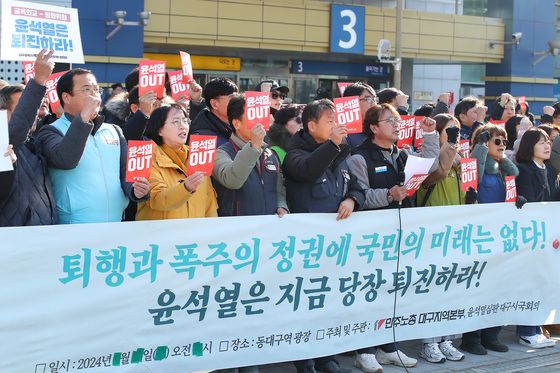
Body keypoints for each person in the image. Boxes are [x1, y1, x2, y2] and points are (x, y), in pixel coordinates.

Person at [346, 103, 439, 372]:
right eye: (390, 121)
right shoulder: (359, 157)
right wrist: (389, 194)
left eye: (398, 121)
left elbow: (428, 166)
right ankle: (364, 350)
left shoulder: (401, 154)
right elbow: (359, 194)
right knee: (370, 291)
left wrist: (431, 136)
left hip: (400, 233)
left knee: (393, 290)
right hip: (372, 237)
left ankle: (387, 346)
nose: (397, 125)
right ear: (374, 127)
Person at [282, 99, 365, 373]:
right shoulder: (295, 154)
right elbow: (307, 170)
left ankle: (326, 356)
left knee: (329, 303)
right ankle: (304, 361)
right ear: (311, 125)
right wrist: (333, 145)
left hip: (336, 248)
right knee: (305, 304)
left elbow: (356, 187)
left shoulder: (340, 153)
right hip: (306, 248)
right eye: (330, 121)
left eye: (336, 119)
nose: (336, 125)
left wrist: (352, 199)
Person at [37, 68, 149, 224]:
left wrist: (135, 189)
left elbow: (126, 174)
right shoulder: (51, 131)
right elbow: (66, 160)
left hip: (115, 223)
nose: (94, 94)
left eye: (97, 89)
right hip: (73, 226)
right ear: (66, 97)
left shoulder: (114, 130)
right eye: (86, 89)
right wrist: (83, 118)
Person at [459, 123, 518, 355]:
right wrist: (481, 148)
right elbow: (474, 177)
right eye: (497, 141)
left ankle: (490, 334)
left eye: (504, 141)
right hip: (478, 234)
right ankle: (471, 338)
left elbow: (515, 174)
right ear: (484, 143)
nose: (502, 145)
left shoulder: (502, 167)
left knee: (498, 286)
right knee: (477, 288)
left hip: (500, 234)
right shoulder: (477, 162)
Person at [0, 49, 58, 227]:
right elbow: (16, 130)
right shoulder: (7, 142)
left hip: (41, 238)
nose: (31, 114)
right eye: (22, 108)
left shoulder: (35, 143)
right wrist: (39, 80)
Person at [212, 93, 288, 218]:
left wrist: (281, 205)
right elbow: (232, 180)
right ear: (236, 123)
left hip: (269, 231)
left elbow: (278, 190)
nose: (260, 123)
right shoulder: (221, 153)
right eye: (253, 116)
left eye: (262, 115)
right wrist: (254, 146)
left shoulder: (270, 154)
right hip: (238, 233)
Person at [135, 104, 217, 220]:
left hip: (195, 235)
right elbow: (156, 199)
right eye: (176, 122)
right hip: (158, 236)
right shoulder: (145, 156)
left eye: (185, 121)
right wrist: (186, 188)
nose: (183, 126)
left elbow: (209, 203)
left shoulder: (199, 154)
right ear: (159, 130)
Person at [189, 77, 239, 146]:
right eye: (233, 98)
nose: (237, 102)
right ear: (214, 104)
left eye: (238, 97)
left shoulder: (236, 126)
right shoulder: (203, 140)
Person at [342, 81, 378, 149]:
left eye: (374, 99)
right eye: (368, 99)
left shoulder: (379, 127)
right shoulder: (341, 134)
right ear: (352, 102)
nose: (374, 104)